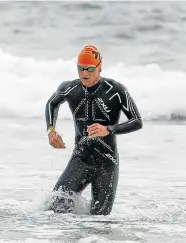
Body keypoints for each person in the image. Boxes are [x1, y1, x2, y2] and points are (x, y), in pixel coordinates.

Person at [45, 45, 143, 215]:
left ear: (99, 68)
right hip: (81, 158)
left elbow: (137, 121)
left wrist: (108, 129)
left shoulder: (116, 91)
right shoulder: (69, 88)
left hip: (107, 162)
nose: (84, 73)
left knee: (100, 221)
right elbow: (51, 103)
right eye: (80, 68)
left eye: (90, 69)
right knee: (54, 210)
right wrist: (51, 130)